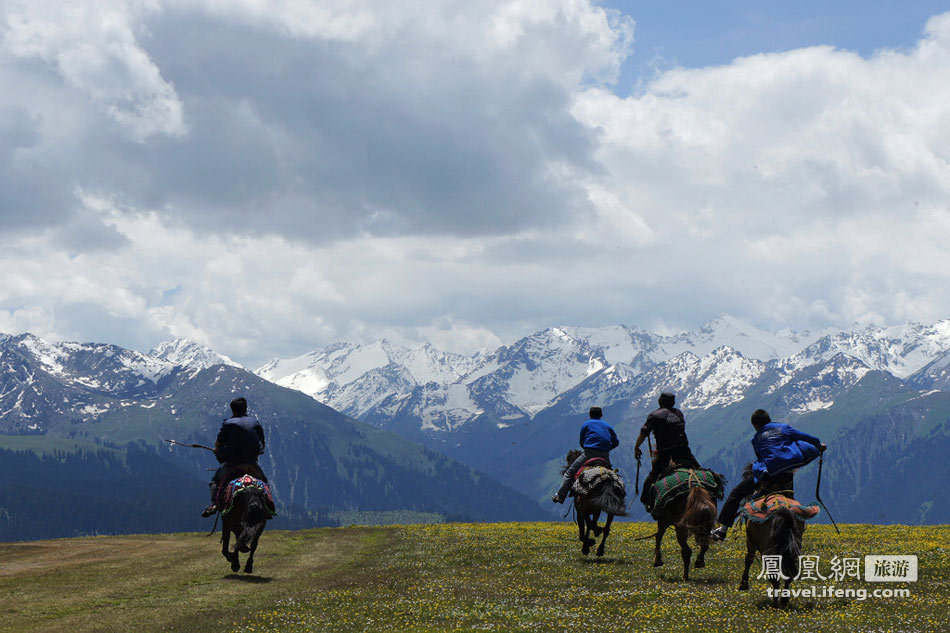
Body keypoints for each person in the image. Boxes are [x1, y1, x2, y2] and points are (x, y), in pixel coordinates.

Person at [710, 409, 826, 541]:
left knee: (736, 493)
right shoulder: (784, 427)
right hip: (788, 472)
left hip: (769, 474)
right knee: (789, 494)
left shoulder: (756, 439)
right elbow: (807, 438)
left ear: (755, 425)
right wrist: (819, 445)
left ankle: (723, 530)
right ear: (769, 420)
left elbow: (762, 457)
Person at [201, 397, 268, 517]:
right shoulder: (254, 422)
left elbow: (218, 443)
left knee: (215, 482)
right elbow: (262, 442)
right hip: (251, 464)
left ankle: (214, 505)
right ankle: (267, 506)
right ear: (246, 408)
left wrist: (217, 451)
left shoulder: (228, 423)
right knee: (264, 482)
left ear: (232, 410)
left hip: (233, 463)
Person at [635, 391, 701, 511]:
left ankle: (647, 502)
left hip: (666, 454)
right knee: (700, 472)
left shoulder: (655, 415)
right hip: (685, 452)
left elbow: (644, 433)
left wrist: (636, 447)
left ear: (660, 401)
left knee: (651, 479)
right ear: (673, 402)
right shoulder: (679, 413)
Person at [552, 406, 619, 504]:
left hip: (589, 453)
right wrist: (607, 449)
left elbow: (582, 441)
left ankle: (561, 496)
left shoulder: (586, 424)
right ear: (601, 415)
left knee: (569, 473)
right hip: (604, 455)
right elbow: (616, 442)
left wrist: (588, 448)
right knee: (611, 476)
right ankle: (616, 498)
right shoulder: (608, 426)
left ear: (590, 414)